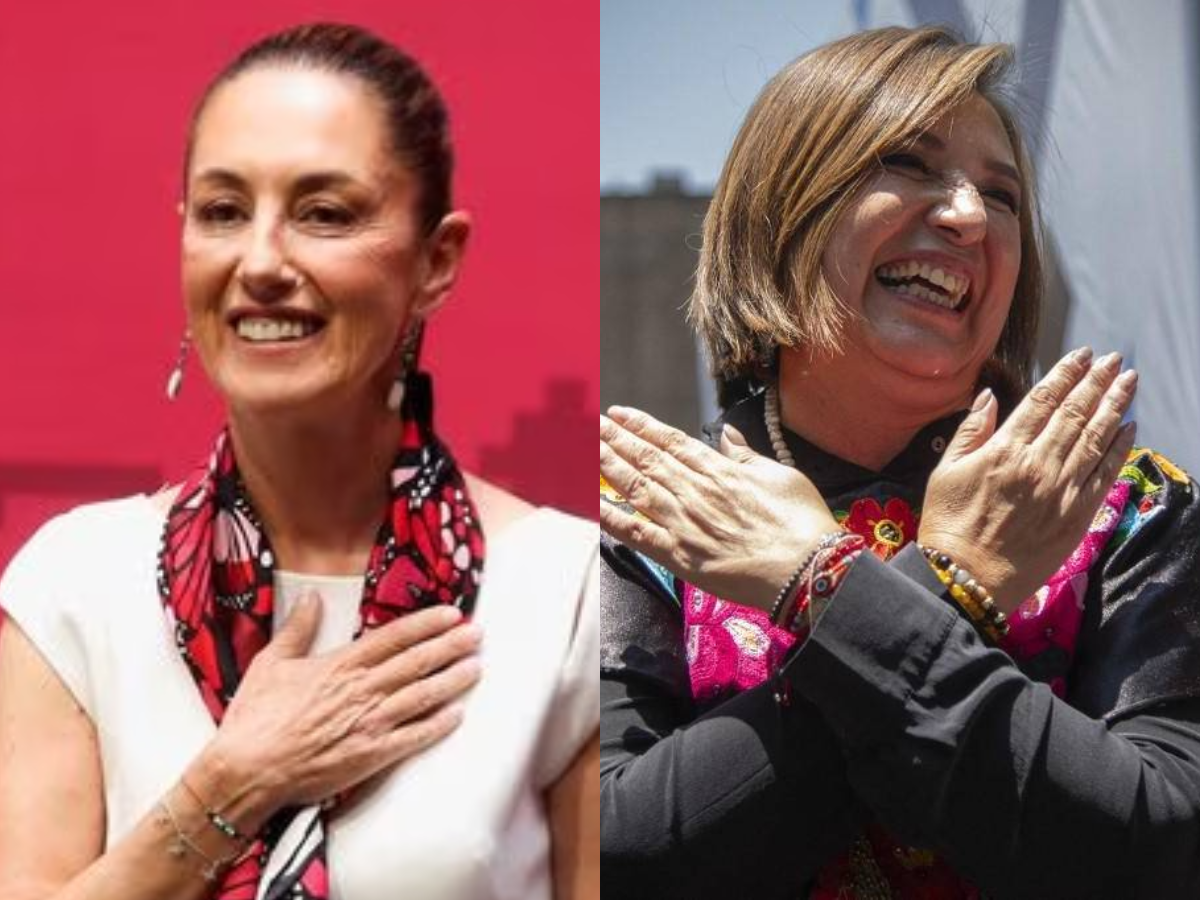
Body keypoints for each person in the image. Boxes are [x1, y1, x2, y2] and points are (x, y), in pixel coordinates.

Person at [599, 25, 1200, 900]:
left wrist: (825, 586)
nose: (967, 215)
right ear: (784, 212)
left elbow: (1162, 854)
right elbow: (615, 859)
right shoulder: (650, 511)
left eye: (1001, 196)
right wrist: (955, 583)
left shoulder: (1126, 506)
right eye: (909, 164)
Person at [0, 23, 598, 900]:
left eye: (325, 214)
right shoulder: (74, 585)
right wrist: (235, 782)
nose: (262, 262)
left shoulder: (564, 592)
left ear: (436, 260)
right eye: (223, 212)